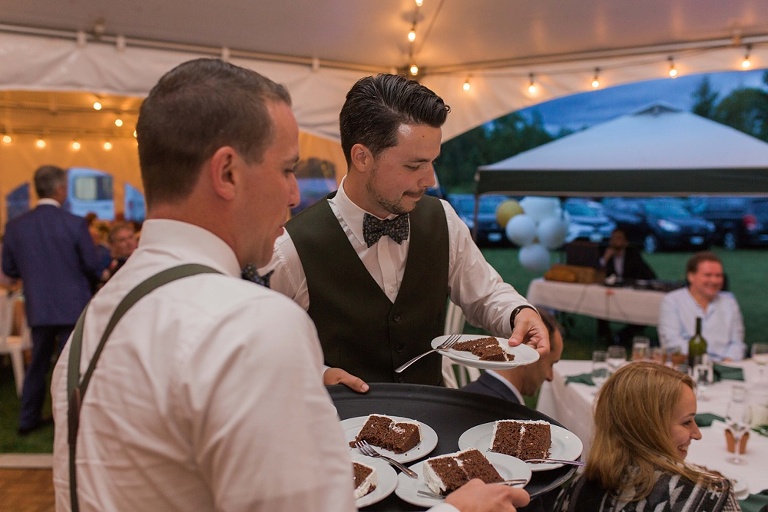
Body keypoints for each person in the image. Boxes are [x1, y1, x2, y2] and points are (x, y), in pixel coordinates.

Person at [50, 58, 529, 512]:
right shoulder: (251, 324)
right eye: (286, 169)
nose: (296, 194)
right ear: (227, 173)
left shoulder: (93, 323)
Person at [260, 73, 549, 392]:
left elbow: (485, 293)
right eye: (414, 166)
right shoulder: (290, 249)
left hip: (433, 413)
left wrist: (518, 312)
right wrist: (320, 373)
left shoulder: (443, 219)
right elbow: (262, 348)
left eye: (432, 162)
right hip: (341, 421)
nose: (430, 180)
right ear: (362, 157)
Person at [554, 362, 739, 511]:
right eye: (686, 422)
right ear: (649, 427)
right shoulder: (711, 497)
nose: (697, 434)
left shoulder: (575, 490)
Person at [2, 165, 102, 436]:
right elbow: (92, 265)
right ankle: (74, 420)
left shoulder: (16, 226)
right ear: (60, 189)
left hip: (39, 305)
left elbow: (9, 269)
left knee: (38, 363)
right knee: (74, 364)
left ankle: (28, 419)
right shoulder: (74, 223)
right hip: (73, 304)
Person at [461, 309, 563, 404]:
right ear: (528, 349)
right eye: (551, 364)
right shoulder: (509, 414)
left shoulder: (463, 396)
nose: (550, 377)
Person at [658, 251, 745, 361]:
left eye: (718, 275)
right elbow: (672, 342)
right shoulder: (672, 301)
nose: (714, 280)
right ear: (691, 276)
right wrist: (705, 361)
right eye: (708, 275)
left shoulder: (729, 302)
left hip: (724, 365)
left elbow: (737, 343)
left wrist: (727, 361)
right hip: (686, 364)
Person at [597, 228, 657, 346]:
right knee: (600, 304)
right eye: (613, 238)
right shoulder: (605, 253)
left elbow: (646, 273)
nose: (616, 241)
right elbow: (596, 271)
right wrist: (605, 259)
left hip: (632, 290)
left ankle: (623, 335)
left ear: (625, 242)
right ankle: (605, 335)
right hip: (612, 290)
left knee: (644, 311)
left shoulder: (632, 254)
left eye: (619, 238)